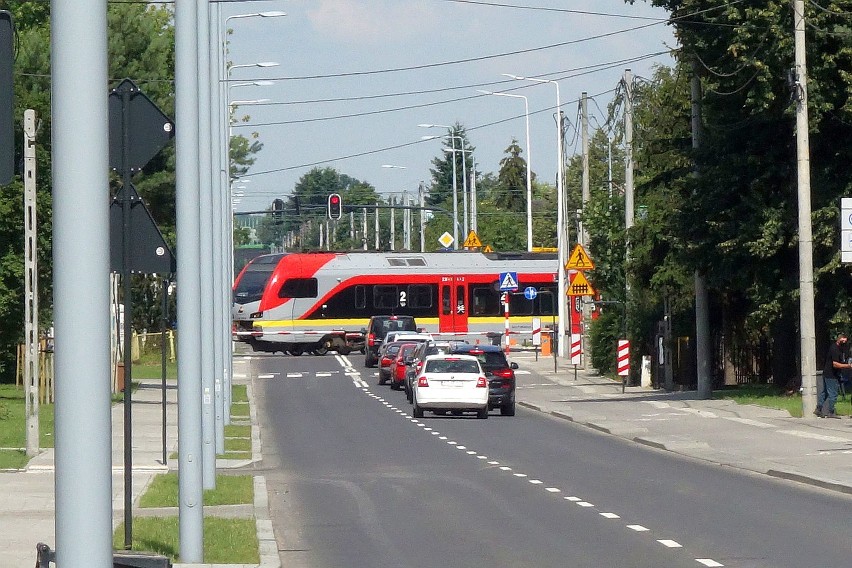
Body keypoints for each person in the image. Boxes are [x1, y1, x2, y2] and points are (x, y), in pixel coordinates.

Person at [818, 332, 849, 418]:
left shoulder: (839, 348)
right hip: (831, 374)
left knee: (825, 393)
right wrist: (848, 366)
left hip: (830, 373)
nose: (845, 343)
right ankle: (831, 411)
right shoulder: (834, 349)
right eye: (843, 341)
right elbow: (835, 364)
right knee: (833, 393)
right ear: (839, 339)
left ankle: (819, 409)